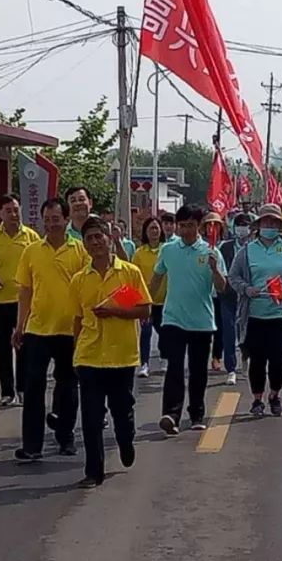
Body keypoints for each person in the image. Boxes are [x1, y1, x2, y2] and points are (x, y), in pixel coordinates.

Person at [70, 217, 152, 489]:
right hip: (89, 356)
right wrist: (75, 351)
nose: (94, 243)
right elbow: (77, 319)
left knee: (122, 410)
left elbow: (143, 310)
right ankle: (94, 471)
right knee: (91, 418)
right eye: (89, 238)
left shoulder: (128, 273)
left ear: (108, 238)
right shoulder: (80, 279)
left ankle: (126, 441)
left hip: (121, 355)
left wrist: (115, 311)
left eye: (98, 237)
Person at [14, 198, 89, 461]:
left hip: (70, 330)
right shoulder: (31, 251)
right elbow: (25, 290)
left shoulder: (80, 250)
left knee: (68, 386)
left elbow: (86, 290)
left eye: (55, 219)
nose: (51, 225)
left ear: (66, 220)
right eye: (46, 220)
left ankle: (66, 437)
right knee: (33, 387)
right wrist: (19, 325)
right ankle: (31, 445)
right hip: (37, 329)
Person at [150, 205, 227, 436]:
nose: (185, 231)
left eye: (190, 226)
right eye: (182, 226)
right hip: (173, 319)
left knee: (197, 371)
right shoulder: (168, 250)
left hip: (202, 321)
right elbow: (156, 279)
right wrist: (144, 305)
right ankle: (171, 415)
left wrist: (215, 270)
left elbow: (222, 288)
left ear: (199, 226)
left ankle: (196, 413)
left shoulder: (211, 252)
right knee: (174, 366)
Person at [229, 204, 282, 417]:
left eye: (274, 223)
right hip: (254, 316)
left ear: (279, 226)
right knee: (257, 360)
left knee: (278, 360)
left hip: (280, 317)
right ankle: (257, 399)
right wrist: (247, 289)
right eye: (266, 222)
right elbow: (233, 277)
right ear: (259, 225)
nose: (269, 226)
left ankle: (275, 395)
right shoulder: (247, 251)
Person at [0, 194, 40, 408]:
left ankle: (22, 389)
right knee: (2, 348)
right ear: (0, 214)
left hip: (24, 301)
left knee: (24, 347)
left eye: (16, 209)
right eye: (8, 210)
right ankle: (7, 391)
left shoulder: (31, 236)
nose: (13, 214)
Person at [218, 211, 253, 385]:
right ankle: (231, 368)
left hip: (249, 297)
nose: (241, 229)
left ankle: (246, 356)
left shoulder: (255, 247)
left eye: (245, 225)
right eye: (238, 225)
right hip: (228, 295)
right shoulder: (225, 247)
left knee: (246, 332)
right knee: (229, 331)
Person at [132, 216, 166, 378]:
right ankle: (144, 363)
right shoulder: (139, 253)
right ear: (146, 232)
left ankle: (164, 357)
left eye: (156, 228)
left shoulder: (167, 249)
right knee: (145, 333)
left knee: (164, 332)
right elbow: (133, 278)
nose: (154, 231)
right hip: (146, 301)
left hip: (165, 300)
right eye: (151, 228)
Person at [201, 211, 227, 373]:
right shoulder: (198, 247)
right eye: (209, 225)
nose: (212, 228)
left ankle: (217, 356)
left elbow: (223, 274)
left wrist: (214, 268)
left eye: (215, 225)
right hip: (200, 296)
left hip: (216, 296)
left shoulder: (220, 248)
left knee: (219, 328)